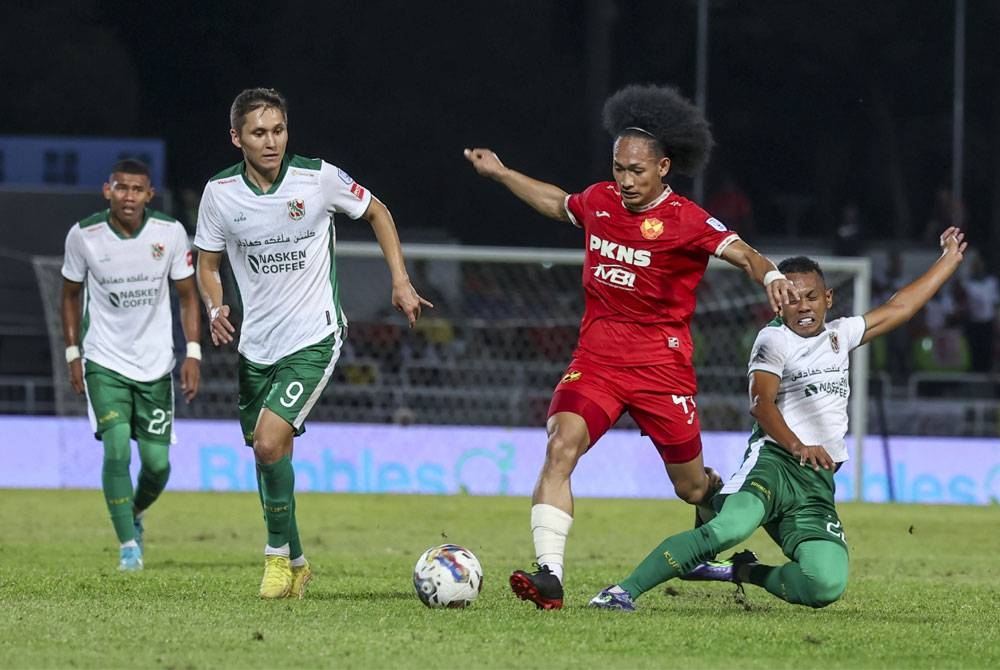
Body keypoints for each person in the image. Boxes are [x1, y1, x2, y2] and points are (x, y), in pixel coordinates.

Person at [464, 83, 797, 609]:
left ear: (663, 167)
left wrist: (772, 274)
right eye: (618, 168)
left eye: (635, 171)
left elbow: (745, 253)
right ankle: (549, 575)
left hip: (661, 370)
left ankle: (713, 541)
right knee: (559, 448)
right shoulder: (600, 201)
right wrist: (503, 173)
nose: (624, 181)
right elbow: (557, 203)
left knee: (691, 487)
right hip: (596, 362)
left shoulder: (686, 219)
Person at [588, 227, 967, 612]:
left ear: (828, 299)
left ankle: (741, 569)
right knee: (730, 530)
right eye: (791, 298)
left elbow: (901, 306)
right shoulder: (773, 340)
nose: (803, 306)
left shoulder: (840, 335)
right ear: (777, 304)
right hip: (774, 463)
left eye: (811, 297)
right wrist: (796, 445)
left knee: (825, 585)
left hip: (815, 482)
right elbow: (761, 404)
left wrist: (949, 260)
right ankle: (620, 592)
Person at [194, 87, 431, 599]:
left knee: (269, 441)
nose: (271, 141)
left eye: (278, 130)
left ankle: (276, 561)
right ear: (237, 138)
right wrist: (215, 307)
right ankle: (298, 561)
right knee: (267, 456)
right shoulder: (219, 194)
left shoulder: (317, 178)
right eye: (259, 132)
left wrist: (400, 280)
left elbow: (378, 212)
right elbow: (207, 265)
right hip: (256, 345)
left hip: (313, 335)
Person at [60, 158, 202, 572]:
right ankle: (128, 547)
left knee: (157, 466)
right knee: (117, 447)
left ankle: (132, 512)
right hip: (104, 359)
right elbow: (69, 296)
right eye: (121, 188)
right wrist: (73, 354)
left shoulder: (170, 233)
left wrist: (192, 352)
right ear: (108, 190)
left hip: (155, 365)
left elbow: (189, 296)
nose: (128, 196)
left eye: (137, 190)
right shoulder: (84, 235)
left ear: (149, 195)